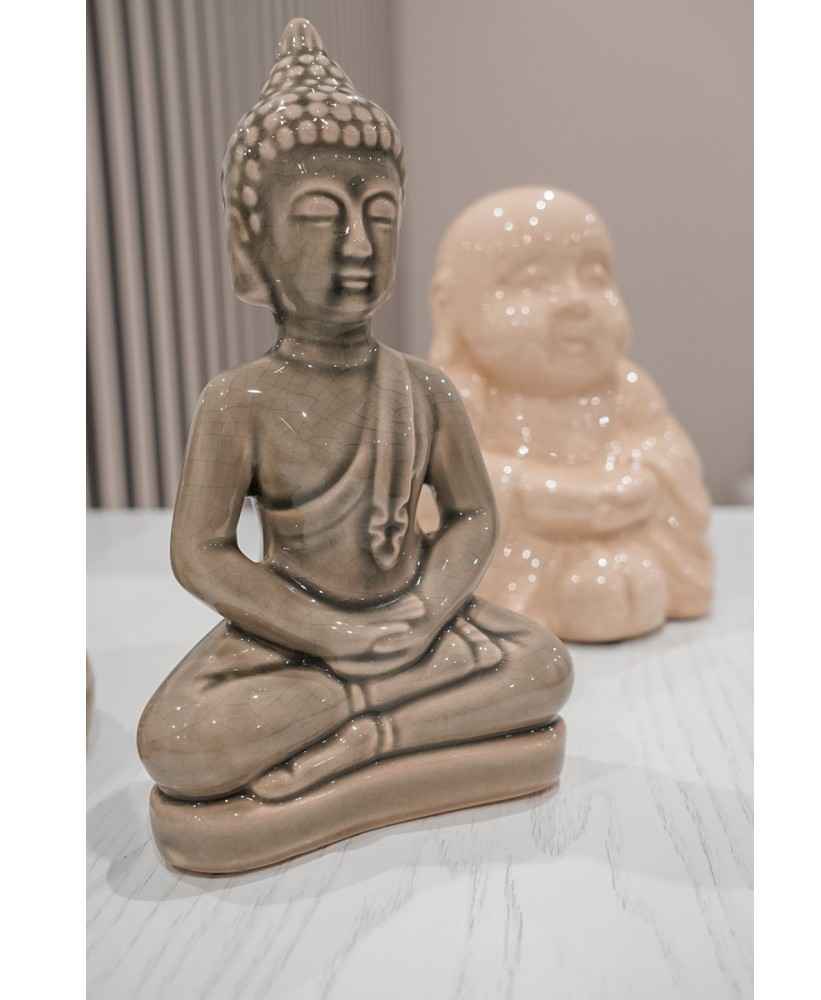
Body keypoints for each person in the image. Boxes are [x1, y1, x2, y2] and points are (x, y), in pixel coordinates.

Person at [137, 20, 571, 873]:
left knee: (543, 666)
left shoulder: (424, 389)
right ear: (249, 246)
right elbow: (202, 552)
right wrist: (326, 632)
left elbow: (473, 516)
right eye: (318, 217)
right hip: (296, 645)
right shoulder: (239, 401)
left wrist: (430, 607)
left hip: (416, 623)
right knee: (179, 741)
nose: (361, 247)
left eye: (381, 216)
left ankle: (364, 741)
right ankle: (393, 723)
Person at [427, 188, 713, 641]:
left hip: (620, 538)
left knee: (623, 584)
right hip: (516, 560)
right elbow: (435, 491)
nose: (575, 301)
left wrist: (641, 479)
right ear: (450, 306)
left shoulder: (626, 390)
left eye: (595, 277)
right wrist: (532, 494)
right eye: (532, 282)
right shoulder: (458, 397)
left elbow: (668, 454)